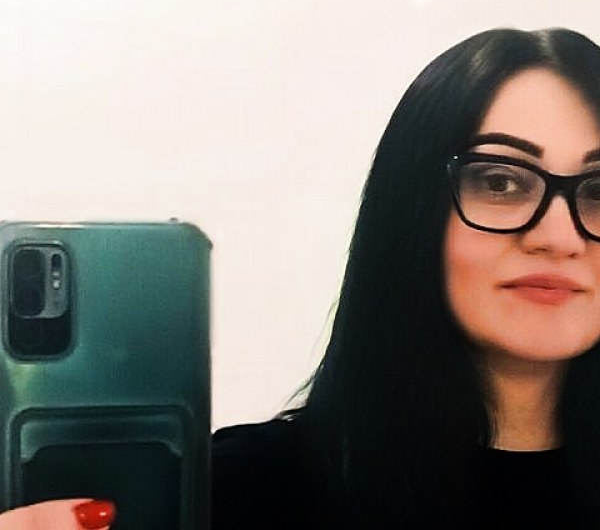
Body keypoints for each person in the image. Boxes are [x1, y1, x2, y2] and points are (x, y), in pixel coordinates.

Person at [212, 27, 600, 528]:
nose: (560, 237)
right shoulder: (238, 492)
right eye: (500, 181)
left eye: (598, 192)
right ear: (413, 211)